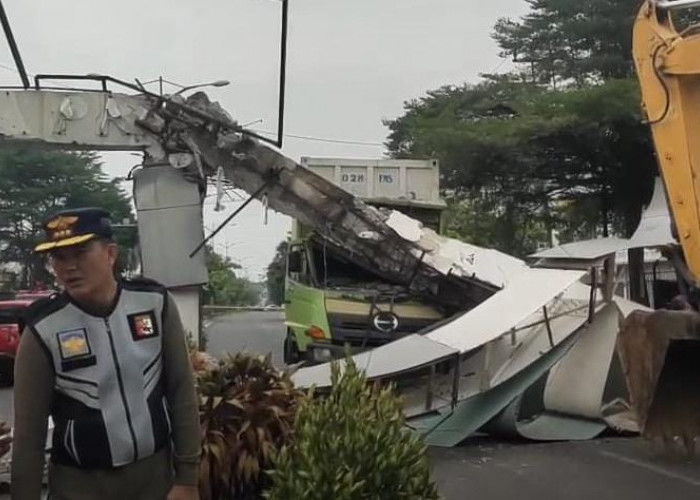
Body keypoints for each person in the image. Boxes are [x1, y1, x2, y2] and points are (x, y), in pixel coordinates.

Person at [12, 208, 201, 500]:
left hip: (154, 481)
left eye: (80, 252)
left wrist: (188, 479)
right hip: (79, 486)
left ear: (110, 254)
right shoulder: (43, 328)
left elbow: (181, 391)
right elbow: (29, 436)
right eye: (59, 257)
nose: (69, 267)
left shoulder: (153, 302)